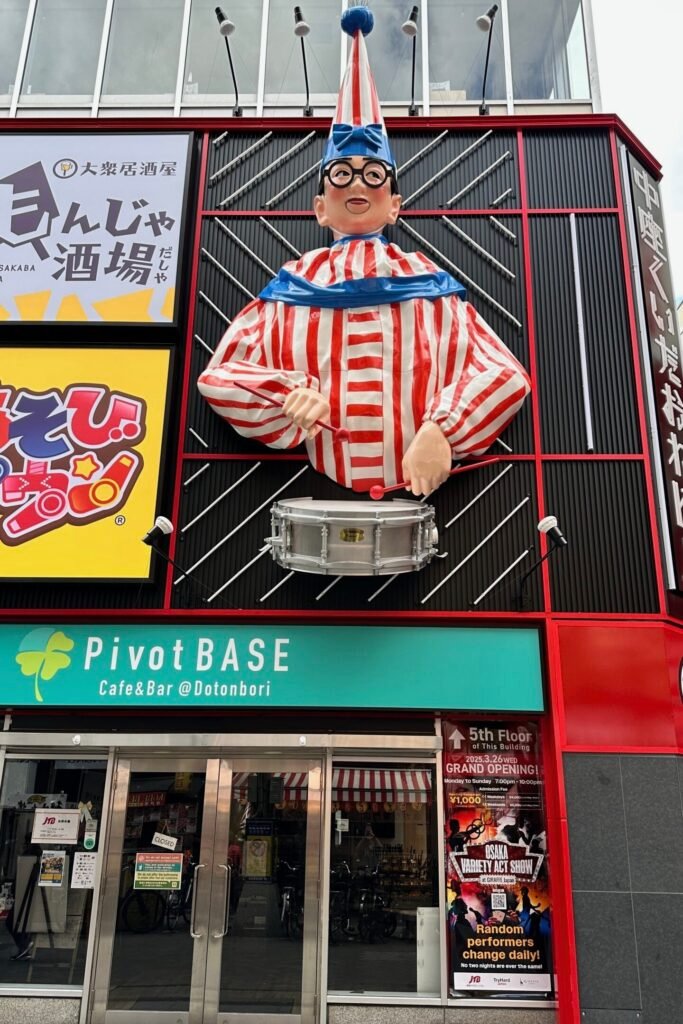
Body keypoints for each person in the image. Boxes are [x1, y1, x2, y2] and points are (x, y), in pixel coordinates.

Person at [198, 8, 530, 497]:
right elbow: (220, 375)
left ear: (395, 205)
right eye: (342, 174)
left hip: (418, 497)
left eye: (373, 174)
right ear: (320, 207)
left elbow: (505, 373)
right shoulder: (292, 283)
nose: (357, 183)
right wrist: (286, 392)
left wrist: (444, 428)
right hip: (315, 487)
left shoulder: (428, 285)